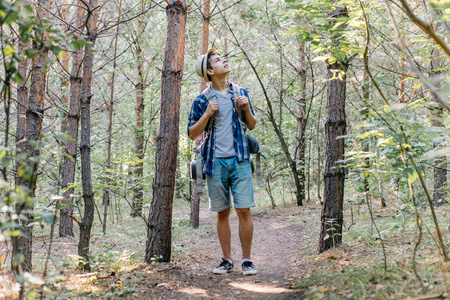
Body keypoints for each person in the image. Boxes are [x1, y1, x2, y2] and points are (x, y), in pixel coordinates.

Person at [187, 48, 258, 276]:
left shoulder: (239, 93)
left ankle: (247, 260)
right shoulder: (201, 100)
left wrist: (246, 109)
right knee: (222, 213)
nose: (224, 61)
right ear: (209, 71)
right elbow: (192, 134)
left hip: (240, 160)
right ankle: (227, 260)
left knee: (244, 210)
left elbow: (252, 124)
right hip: (215, 163)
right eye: (218, 60)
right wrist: (206, 114)